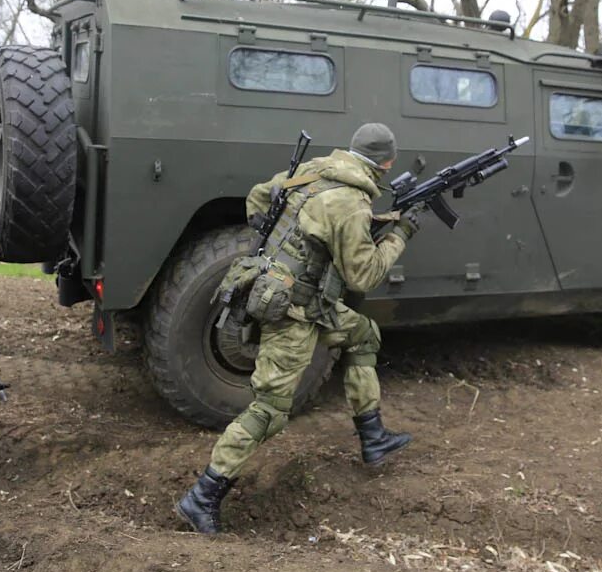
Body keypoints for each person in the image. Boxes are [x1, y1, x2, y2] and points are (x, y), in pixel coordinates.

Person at [176, 123, 422, 534]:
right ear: (388, 162)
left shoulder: (313, 172)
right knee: (270, 410)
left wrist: (281, 247)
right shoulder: (350, 203)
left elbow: (258, 198)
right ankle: (202, 496)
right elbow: (363, 275)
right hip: (293, 314)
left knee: (363, 334)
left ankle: (373, 436)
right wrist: (401, 234)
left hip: (297, 298)